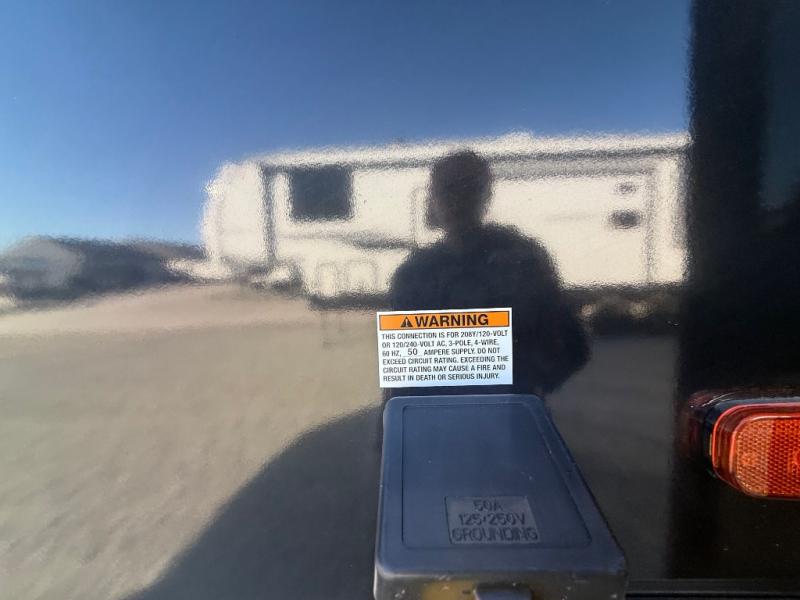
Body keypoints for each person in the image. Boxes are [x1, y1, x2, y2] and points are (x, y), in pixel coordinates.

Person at [387, 150, 589, 399]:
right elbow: (403, 374)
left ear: (487, 195)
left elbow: (571, 345)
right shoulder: (414, 273)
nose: (458, 200)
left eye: (469, 188)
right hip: (436, 416)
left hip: (508, 412)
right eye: (448, 189)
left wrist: (526, 388)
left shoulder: (524, 262)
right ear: (433, 199)